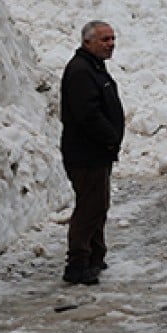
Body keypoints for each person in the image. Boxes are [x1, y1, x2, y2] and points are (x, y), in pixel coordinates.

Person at [59, 21, 125, 285]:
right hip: (87, 153)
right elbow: (88, 115)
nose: (111, 44)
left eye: (112, 38)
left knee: (97, 205)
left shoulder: (93, 68)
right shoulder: (81, 72)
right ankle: (76, 264)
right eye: (104, 39)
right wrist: (109, 138)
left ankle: (95, 256)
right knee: (90, 207)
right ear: (88, 42)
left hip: (96, 152)